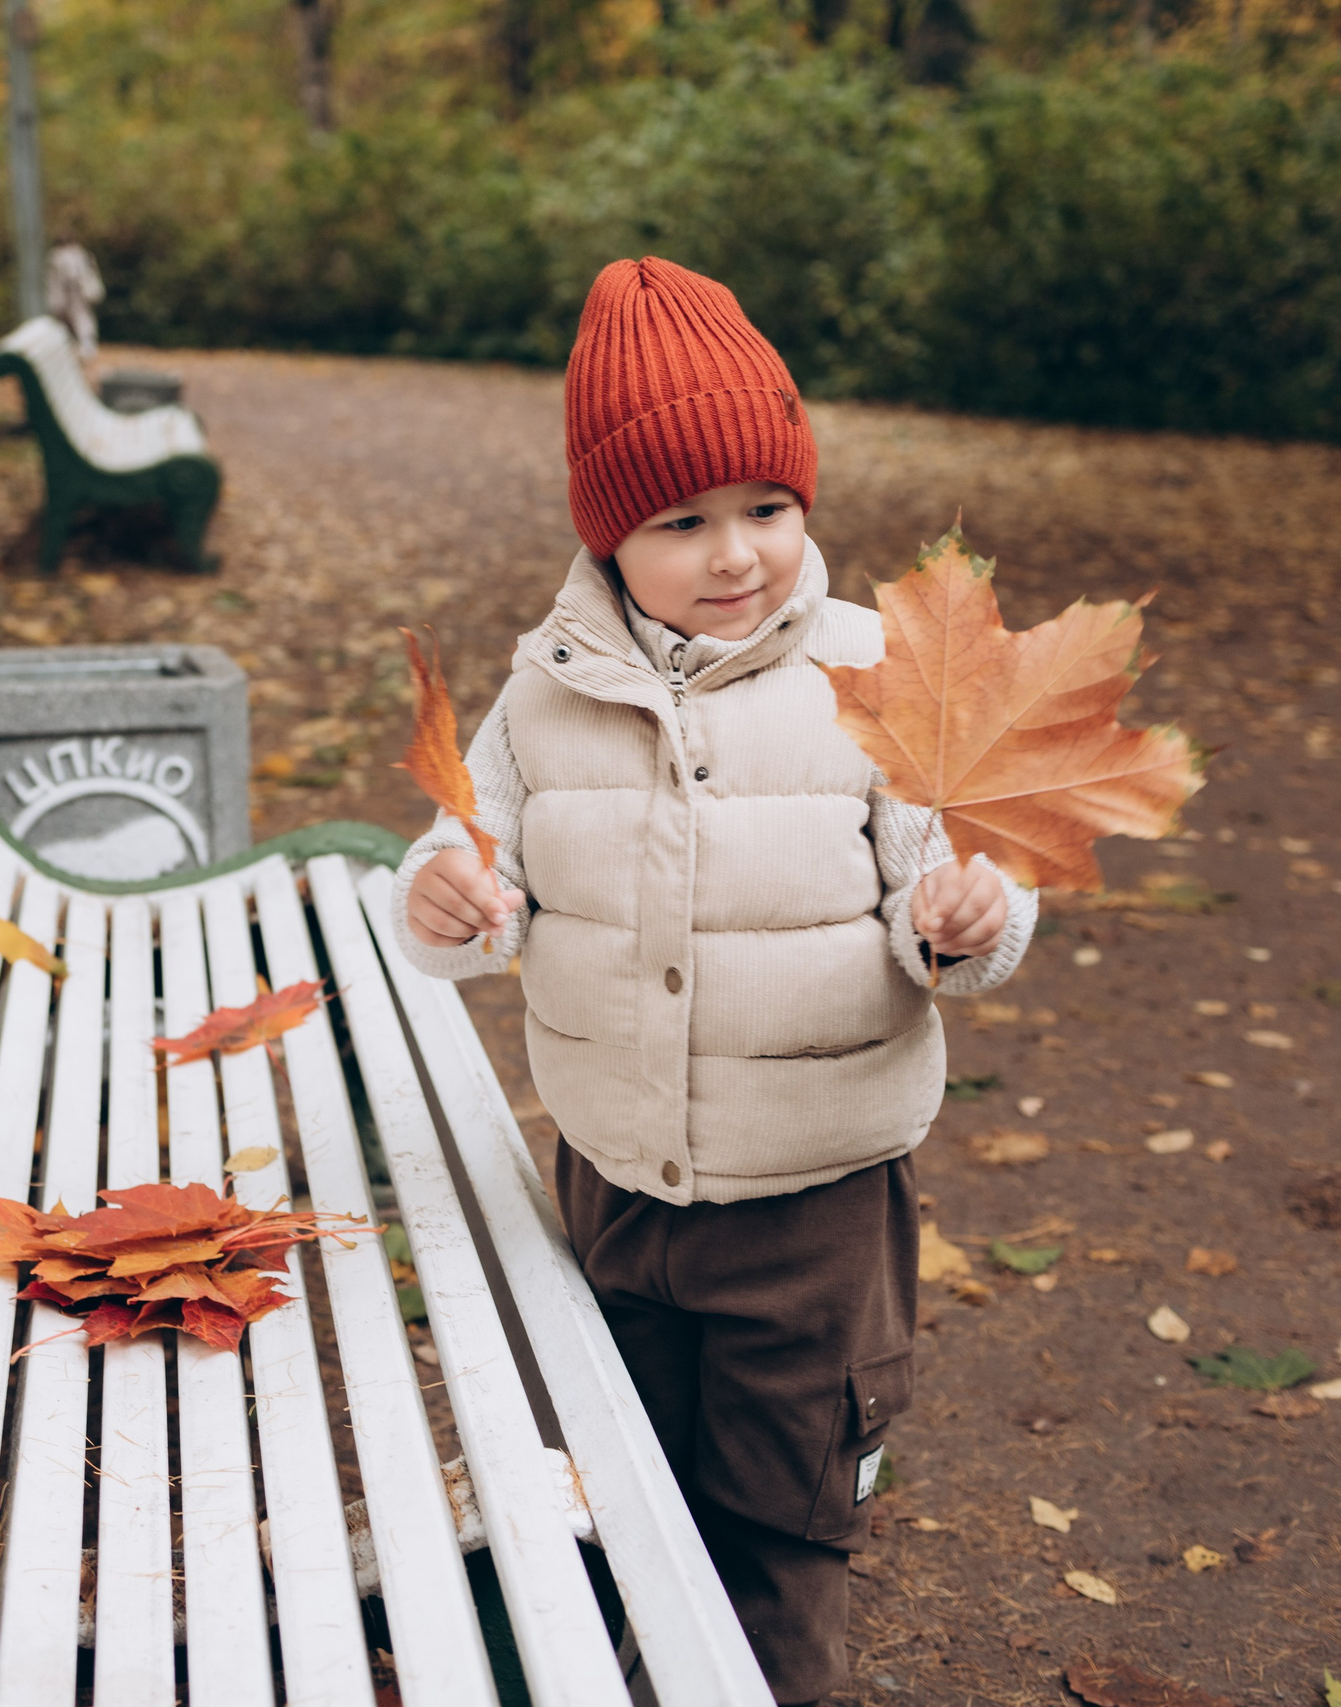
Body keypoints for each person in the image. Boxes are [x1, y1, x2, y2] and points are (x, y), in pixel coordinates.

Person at [392, 255, 1036, 1704]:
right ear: (608, 535)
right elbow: (469, 877)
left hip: (814, 1209)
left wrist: (962, 918)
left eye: (766, 507)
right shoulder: (544, 691)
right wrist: (443, 898)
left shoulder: (877, 677)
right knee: (623, 1489)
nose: (735, 553)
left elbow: (961, 891)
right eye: (681, 521)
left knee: (777, 1525)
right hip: (615, 1188)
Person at [44, 239, 105, 363]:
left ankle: (83, 346)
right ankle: (85, 345)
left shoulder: (57, 256)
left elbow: (60, 279)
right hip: (79, 293)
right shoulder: (81, 254)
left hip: (71, 293)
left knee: (76, 320)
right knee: (81, 319)